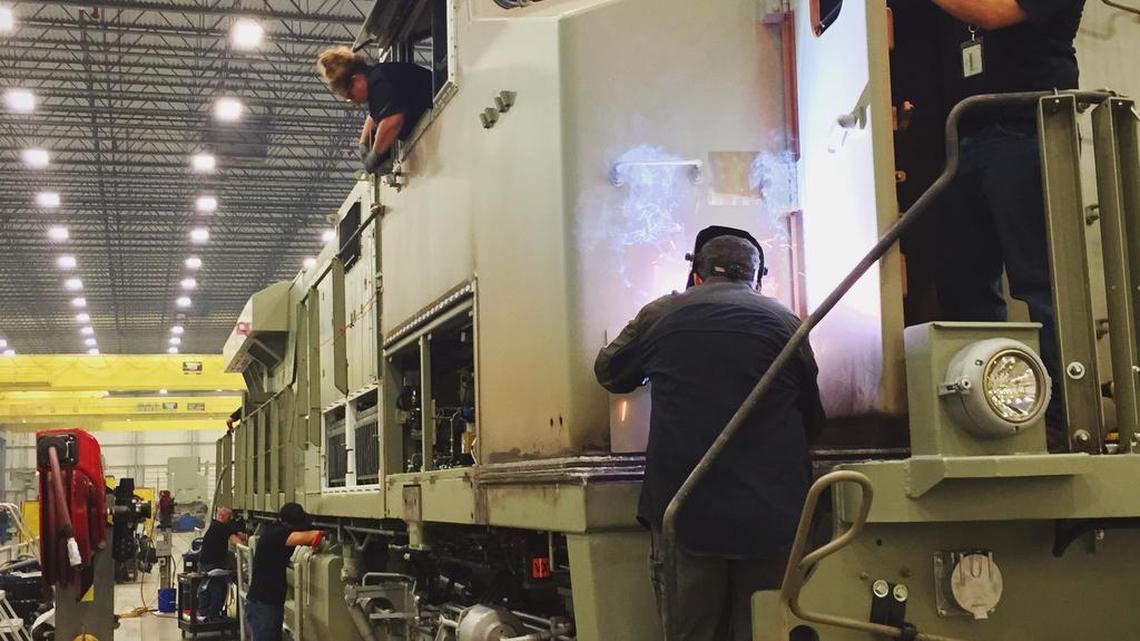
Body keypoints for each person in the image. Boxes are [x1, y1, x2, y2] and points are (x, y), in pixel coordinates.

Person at [594, 227, 826, 641]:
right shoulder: (787, 322)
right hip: (770, 517)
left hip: (687, 513)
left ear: (696, 275)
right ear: (757, 278)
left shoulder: (662, 313)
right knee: (765, 630)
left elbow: (610, 373)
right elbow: (813, 419)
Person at [930, 0, 1085, 449]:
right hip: (964, 132)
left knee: (1041, 280)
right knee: (964, 282)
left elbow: (992, 12)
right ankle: (982, 409)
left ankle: (1061, 415)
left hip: (1028, 126)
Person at [316, 46, 434, 174]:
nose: (354, 102)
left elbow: (392, 121)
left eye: (350, 95)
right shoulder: (379, 77)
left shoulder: (380, 83)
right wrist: (363, 142)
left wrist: (375, 155)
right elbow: (374, 116)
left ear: (357, 80)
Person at [245, 503, 323, 641]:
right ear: (291, 523)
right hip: (264, 605)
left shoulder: (273, 529)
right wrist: (323, 532)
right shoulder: (278, 534)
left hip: (267, 602)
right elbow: (312, 537)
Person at [197, 507, 247, 621]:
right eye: (229, 519)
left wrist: (245, 536)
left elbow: (236, 534)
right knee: (218, 589)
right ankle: (212, 616)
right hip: (212, 565)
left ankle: (205, 614)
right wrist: (249, 552)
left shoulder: (215, 526)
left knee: (206, 587)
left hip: (205, 563)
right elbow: (236, 541)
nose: (230, 521)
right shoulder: (221, 527)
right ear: (224, 517)